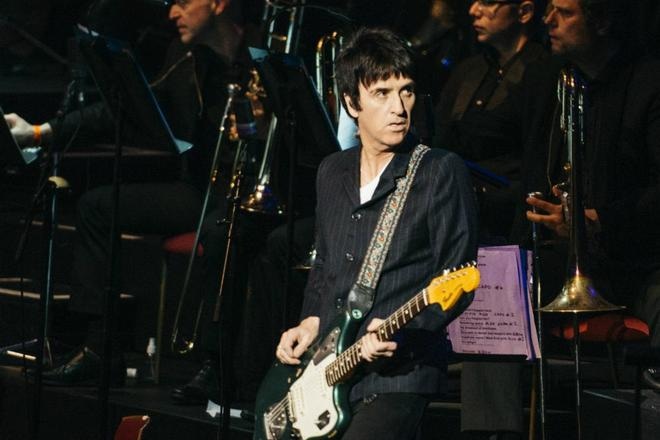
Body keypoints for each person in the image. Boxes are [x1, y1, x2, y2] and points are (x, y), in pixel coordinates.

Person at [4, 0, 246, 389]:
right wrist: (38, 132)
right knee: (97, 206)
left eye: (183, 2)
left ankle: (217, 362)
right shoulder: (183, 54)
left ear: (218, 4)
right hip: (199, 190)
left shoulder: (257, 54)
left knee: (223, 234)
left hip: (242, 197)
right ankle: (100, 349)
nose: (172, 13)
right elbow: (122, 110)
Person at [274, 27, 479, 439]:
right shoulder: (332, 171)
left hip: (401, 374)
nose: (399, 108)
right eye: (382, 93)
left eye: (407, 91)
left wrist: (402, 331)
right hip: (330, 368)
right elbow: (325, 263)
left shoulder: (439, 170)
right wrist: (310, 321)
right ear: (352, 103)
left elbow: (458, 279)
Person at [521, 0, 660, 390]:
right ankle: (495, 422)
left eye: (564, 13)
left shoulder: (649, 83)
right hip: (566, 255)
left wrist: (597, 221)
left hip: (637, 258)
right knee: (494, 293)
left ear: (601, 21)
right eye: (550, 9)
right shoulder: (547, 79)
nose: (548, 20)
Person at [432, 1, 547, 438]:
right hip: (457, 208)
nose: (474, 9)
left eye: (488, 2)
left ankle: (490, 430)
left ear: (524, 12)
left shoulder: (542, 70)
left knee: (489, 272)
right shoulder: (469, 69)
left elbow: (537, 164)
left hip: (507, 218)